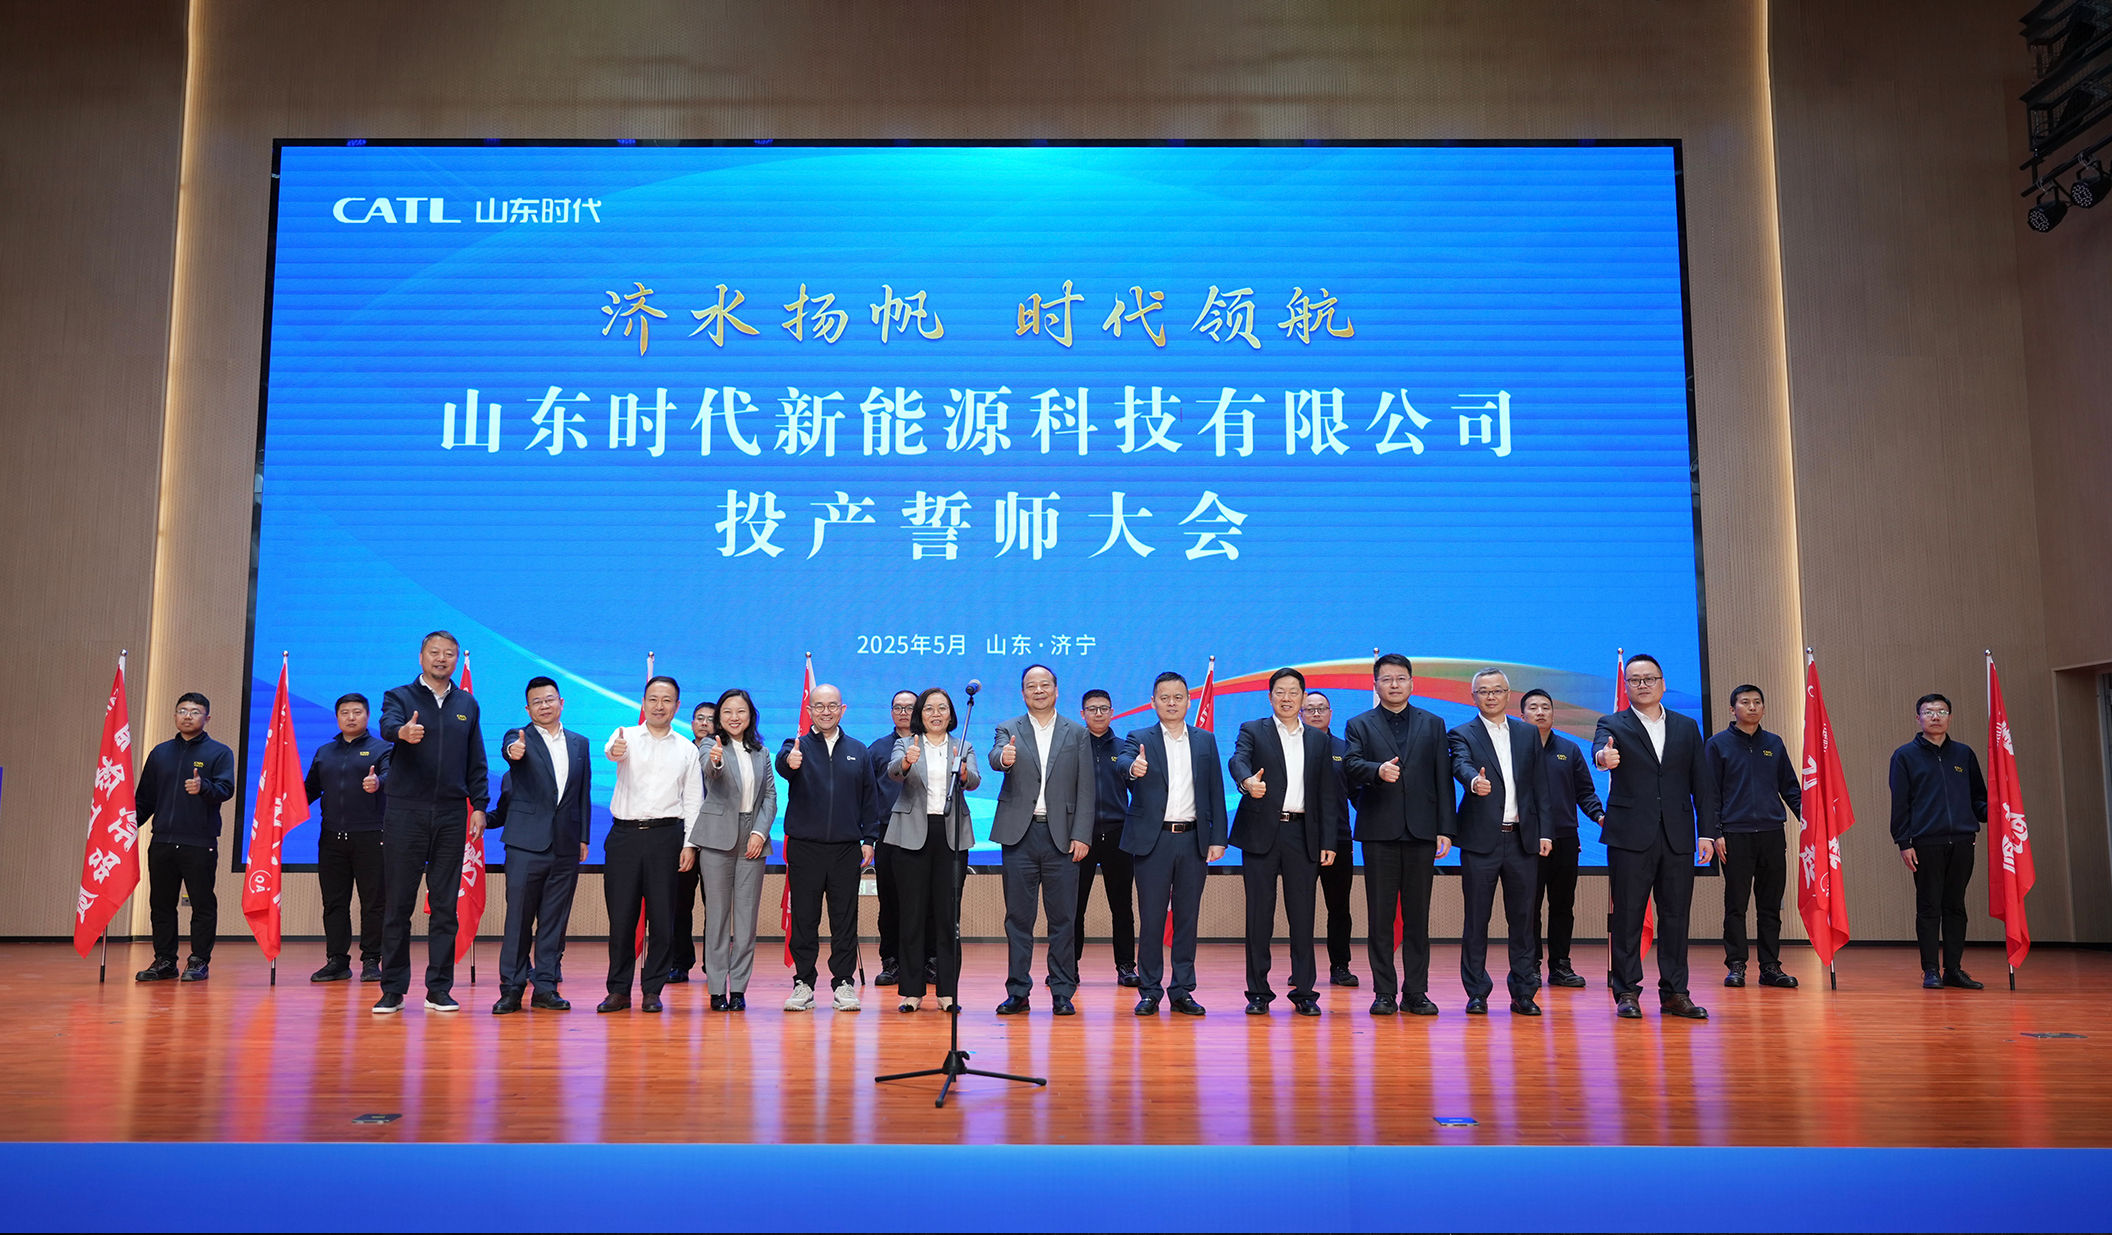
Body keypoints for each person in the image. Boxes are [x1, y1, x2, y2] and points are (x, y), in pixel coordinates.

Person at [1593, 652, 1719, 1021]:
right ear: (1627, 686)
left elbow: (1702, 784)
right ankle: (1627, 992)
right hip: (1630, 835)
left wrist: (1707, 833)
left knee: (1676, 916)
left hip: (1677, 835)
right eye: (1635, 680)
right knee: (1628, 916)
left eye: (1649, 678)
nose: (1643, 685)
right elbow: (1599, 750)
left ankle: (1676, 993)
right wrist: (1603, 758)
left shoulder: (1686, 726)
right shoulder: (1612, 723)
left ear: (1662, 684)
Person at [374, 632, 489, 1014]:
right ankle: (392, 989)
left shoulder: (467, 704)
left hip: (453, 814)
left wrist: (479, 806)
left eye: (449, 654)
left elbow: (476, 760)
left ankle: (439, 988)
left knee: (444, 906)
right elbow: (387, 725)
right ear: (421, 656)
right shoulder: (399, 697)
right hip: (406, 812)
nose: (442, 659)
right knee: (398, 905)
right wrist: (402, 732)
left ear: (456, 660)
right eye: (435, 652)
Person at [1228, 668, 1346, 1017]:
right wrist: (1247, 782)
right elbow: (1238, 760)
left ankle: (1305, 992)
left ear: (1303, 697)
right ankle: (1258, 993)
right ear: (1270, 697)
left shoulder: (1318, 740)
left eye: (1294, 692)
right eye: (1280, 691)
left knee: (1303, 916)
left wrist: (1328, 840)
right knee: (1259, 917)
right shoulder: (1253, 730)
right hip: (1261, 833)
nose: (1287, 698)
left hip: (1302, 834)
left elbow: (1326, 794)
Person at [1343, 654, 1455, 1017]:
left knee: (1418, 917)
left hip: (1422, 831)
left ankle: (1416, 992)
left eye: (1401, 678)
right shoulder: (1359, 724)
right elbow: (1351, 765)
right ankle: (1384, 992)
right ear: (1375, 684)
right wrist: (1377, 771)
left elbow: (1443, 778)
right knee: (1380, 917)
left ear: (1412, 683)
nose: (1394, 684)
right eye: (1387, 679)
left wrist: (1445, 829)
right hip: (1379, 832)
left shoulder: (1433, 723)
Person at [989, 664, 1097, 1017]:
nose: (1038, 690)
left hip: (1062, 837)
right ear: (1023, 693)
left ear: (1056, 690)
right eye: (1031, 686)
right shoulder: (1008, 728)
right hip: (1019, 836)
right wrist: (1004, 759)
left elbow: (1086, 789)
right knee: (1018, 919)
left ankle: (1062, 991)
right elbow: (996, 756)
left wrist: (1082, 834)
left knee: (1063, 919)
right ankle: (1018, 991)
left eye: (1045, 684)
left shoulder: (1077, 732)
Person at [1119, 671, 1227, 1017]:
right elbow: (1124, 762)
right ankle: (1150, 990)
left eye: (1178, 697)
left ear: (1188, 701)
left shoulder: (1204, 740)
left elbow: (1215, 790)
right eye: (1164, 698)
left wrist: (1218, 838)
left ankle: (1182, 990)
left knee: (1187, 919)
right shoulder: (1139, 738)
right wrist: (1133, 768)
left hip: (1193, 840)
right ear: (1153, 702)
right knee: (1151, 920)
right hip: (1153, 842)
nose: (1171, 703)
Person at [1447, 669, 1551, 1016]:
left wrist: (1545, 832)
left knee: (1523, 921)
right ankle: (1477, 992)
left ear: (1508, 694)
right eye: (1483, 691)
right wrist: (1473, 782)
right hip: (1481, 842)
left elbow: (1540, 786)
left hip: (1523, 839)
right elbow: (1460, 764)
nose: (1490, 696)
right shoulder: (1461, 733)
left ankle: (1524, 992)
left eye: (1497, 690)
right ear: (1473, 696)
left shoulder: (1527, 733)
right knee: (1477, 920)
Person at [489, 676, 590, 1015]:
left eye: (549, 699)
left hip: (565, 846)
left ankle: (546, 987)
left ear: (561, 702)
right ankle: (511, 989)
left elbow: (582, 795)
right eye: (537, 702)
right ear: (528, 708)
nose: (544, 706)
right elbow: (510, 750)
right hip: (525, 845)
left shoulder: (580, 743)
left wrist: (583, 837)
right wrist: (513, 751)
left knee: (554, 921)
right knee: (518, 920)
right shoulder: (518, 737)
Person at [599, 675, 700, 1014]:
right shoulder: (624, 736)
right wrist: (615, 751)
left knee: (662, 919)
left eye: (667, 700)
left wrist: (689, 845)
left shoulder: (686, 749)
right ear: (643, 702)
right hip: (624, 837)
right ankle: (618, 990)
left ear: (677, 706)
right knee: (622, 919)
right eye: (653, 699)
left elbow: (693, 802)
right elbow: (611, 751)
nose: (659, 706)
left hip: (667, 837)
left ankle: (652, 990)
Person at [776, 684, 880, 1013]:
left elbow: (870, 799)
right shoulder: (796, 746)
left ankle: (843, 983)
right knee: (805, 919)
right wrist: (790, 761)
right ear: (809, 711)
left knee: (844, 920)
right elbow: (783, 764)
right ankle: (803, 983)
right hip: (805, 848)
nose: (825, 711)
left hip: (846, 849)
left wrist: (869, 839)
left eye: (832, 705)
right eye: (819, 706)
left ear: (842, 709)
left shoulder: (858, 750)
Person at [882, 687, 981, 1012]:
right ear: (919, 715)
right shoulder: (906, 744)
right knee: (911, 915)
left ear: (951, 714)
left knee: (948, 916)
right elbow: (893, 772)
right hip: (911, 835)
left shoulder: (962, 745)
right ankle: (912, 992)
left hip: (950, 836)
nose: (936, 714)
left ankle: (947, 992)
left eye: (942, 708)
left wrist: (963, 773)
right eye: (929, 709)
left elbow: (974, 780)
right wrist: (906, 762)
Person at [682, 688, 776, 1013]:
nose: (734, 717)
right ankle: (716, 989)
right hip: (717, 837)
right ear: (719, 718)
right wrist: (716, 759)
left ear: (750, 715)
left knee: (746, 920)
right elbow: (712, 771)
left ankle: (738, 989)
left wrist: (759, 832)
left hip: (752, 836)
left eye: (741, 711)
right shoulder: (710, 745)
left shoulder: (761, 752)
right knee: (718, 917)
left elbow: (770, 797)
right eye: (727, 712)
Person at [132, 692, 235, 983]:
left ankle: (199, 961)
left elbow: (226, 790)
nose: (188, 716)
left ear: (207, 718)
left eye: (195, 711)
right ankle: (165, 961)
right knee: (161, 904)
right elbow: (145, 799)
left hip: (199, 842)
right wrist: (124, 827)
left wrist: (204, 787)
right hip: (162, 841)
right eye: (182, 710)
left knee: (202, 905)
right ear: (175, 715)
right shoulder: (160, 752)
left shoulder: (219, 752)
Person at [1889, 692, 1989, 991]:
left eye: (1942, 711)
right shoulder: (1905, 756)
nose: (1935, 717)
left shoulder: (1964, 754)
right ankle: (1931, 969)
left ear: (1950, 717)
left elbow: (1978, 797)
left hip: (1963, 840)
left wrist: (1998, 811)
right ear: (1918, 718)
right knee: (1929, 907)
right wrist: (1903, 841)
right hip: (1925, 842)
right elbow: (1900, 803)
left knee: (1955, 906)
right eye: (1929, 712)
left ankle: (1953, 969)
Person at [1707, 684, 1803, 990]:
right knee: (1736, 905)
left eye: (1757, 702)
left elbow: (1790, 788)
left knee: (1770, 904)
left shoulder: (1774, 743)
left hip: (1772, 833)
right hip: (1735, 835)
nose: (1752, 707)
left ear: (1763, 708)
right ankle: (1736, 964)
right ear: (1732, 709)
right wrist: (1715, 832)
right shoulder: (1717, 745)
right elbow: (1710, 794)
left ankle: (1770, 966)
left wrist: (1811, 821)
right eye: (1745, 702)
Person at [302, 693, 390, 983]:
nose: (351, 717)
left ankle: (372, 959)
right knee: (334, 903)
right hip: (331, 838)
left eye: (357, 712)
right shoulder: (324, 752)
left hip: (371, 836)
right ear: (337, 717)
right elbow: (309, 790)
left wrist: (378, 782)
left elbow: (392, 778)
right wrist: (281, 804)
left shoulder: (383, 749)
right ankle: (337, 960)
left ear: (368, 716)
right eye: (344, 712)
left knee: (373, 902)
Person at [1520, 687, 1603, 990]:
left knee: (1562, 906)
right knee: (1529, 907)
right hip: (1526, 840)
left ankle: (1560, 966)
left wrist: (1599, 816)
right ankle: (1529, 966)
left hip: (1565, 838)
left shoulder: (1569, 749)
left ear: (1553, 714)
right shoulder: (1514, 750)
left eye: (1546, 707)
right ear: (1522, 715)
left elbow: (1585, 792)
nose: (1540, 712)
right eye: (1533, 707)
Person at [1073, 688, 1138, 987]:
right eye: (1092, 709)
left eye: (1103, 708)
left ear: (1112, 712)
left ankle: (1126, 966)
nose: (1098, 713)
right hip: (1080, 836)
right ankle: (1067, 966)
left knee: (1122, 906)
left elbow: (1139, 794)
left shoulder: (1125, 749)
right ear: (1082, 714)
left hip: (1118, 835)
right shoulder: (1073, 746)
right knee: (1074, 907)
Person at [871, 689, 936, 988]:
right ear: (891, 712)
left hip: (928, 830)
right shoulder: (877, 749)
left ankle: (930, 961)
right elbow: (868, 795)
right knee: (890, 900)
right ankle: (892, 961)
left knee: (930, 900)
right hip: (889, 833)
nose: (903, 712)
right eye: (897, 707)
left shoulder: (934, 744)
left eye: (909, 707)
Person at [1301, 691, 1360, 988]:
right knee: (1301, 907)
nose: (1315, 713)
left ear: (1330, 713)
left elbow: (1358, 794)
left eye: (1321, 708)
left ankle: (1340, 966)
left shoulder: (1345, 749)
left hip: (1338, 840)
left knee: (1339, 906)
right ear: (1300, 714)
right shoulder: (1292, 747)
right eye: (1309, 709)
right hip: (1300, 839)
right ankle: (1301, 968)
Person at [668, 698, 718, 986]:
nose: (704, 723)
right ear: (691, 722)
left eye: (710, 719)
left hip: (716, 841)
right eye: (699, 718)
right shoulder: (678, 751)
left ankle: (714, 963)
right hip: (682, 839)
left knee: (716, 906)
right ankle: (679, 962)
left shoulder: (723, 754)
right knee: (679, 905)